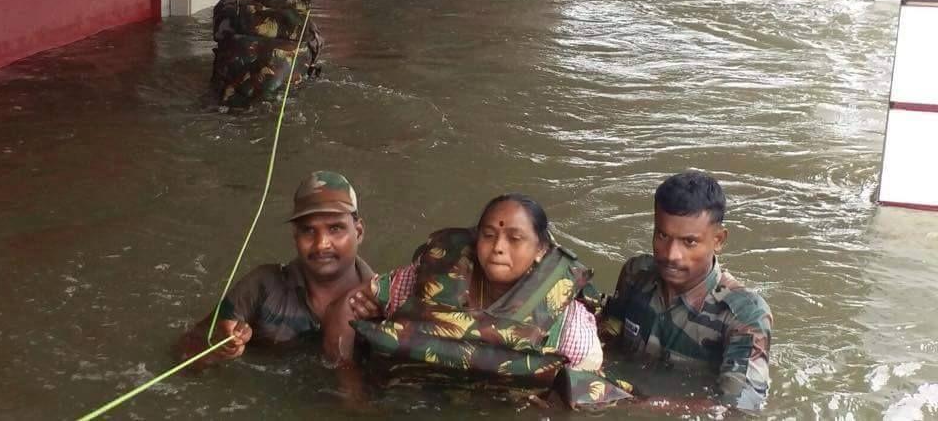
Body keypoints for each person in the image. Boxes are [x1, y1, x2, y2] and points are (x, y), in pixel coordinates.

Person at [329, 193, 633, 409]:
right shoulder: (421, 280)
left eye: (515, 239)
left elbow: (586, 395)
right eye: (489, 235)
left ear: (541, 249)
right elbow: (346, 304)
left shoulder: (570, 324)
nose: (499, 247)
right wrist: (348, 379)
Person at [599, 171, 773, 413]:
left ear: (719, 240)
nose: (671, 254)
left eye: (689, 242)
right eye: (662, 235)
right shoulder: (635, 274)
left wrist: (644, 406)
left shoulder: (743, 315)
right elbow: (606, 340)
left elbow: (738, 408)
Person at [178, 171, 373, 366]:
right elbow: (184, 352)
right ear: (295, 236)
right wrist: (216, 348)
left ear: (358, 232)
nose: (321, 244)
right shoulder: (263, 287)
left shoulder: (385, 300)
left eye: (335, 228)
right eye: (308, 230)